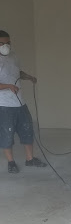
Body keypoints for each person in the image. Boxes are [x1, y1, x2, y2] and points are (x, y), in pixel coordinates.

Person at [0, 30, 46, 173]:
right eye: (2, 43)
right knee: (7, 135)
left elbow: (17, 72)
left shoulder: (13, 56)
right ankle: (11, 162)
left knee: (27, 130)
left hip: (20, 102)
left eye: (8, 43)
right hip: (4, 105)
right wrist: (8, 86)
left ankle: (30, 159)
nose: (5, 46)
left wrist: (29, 77)